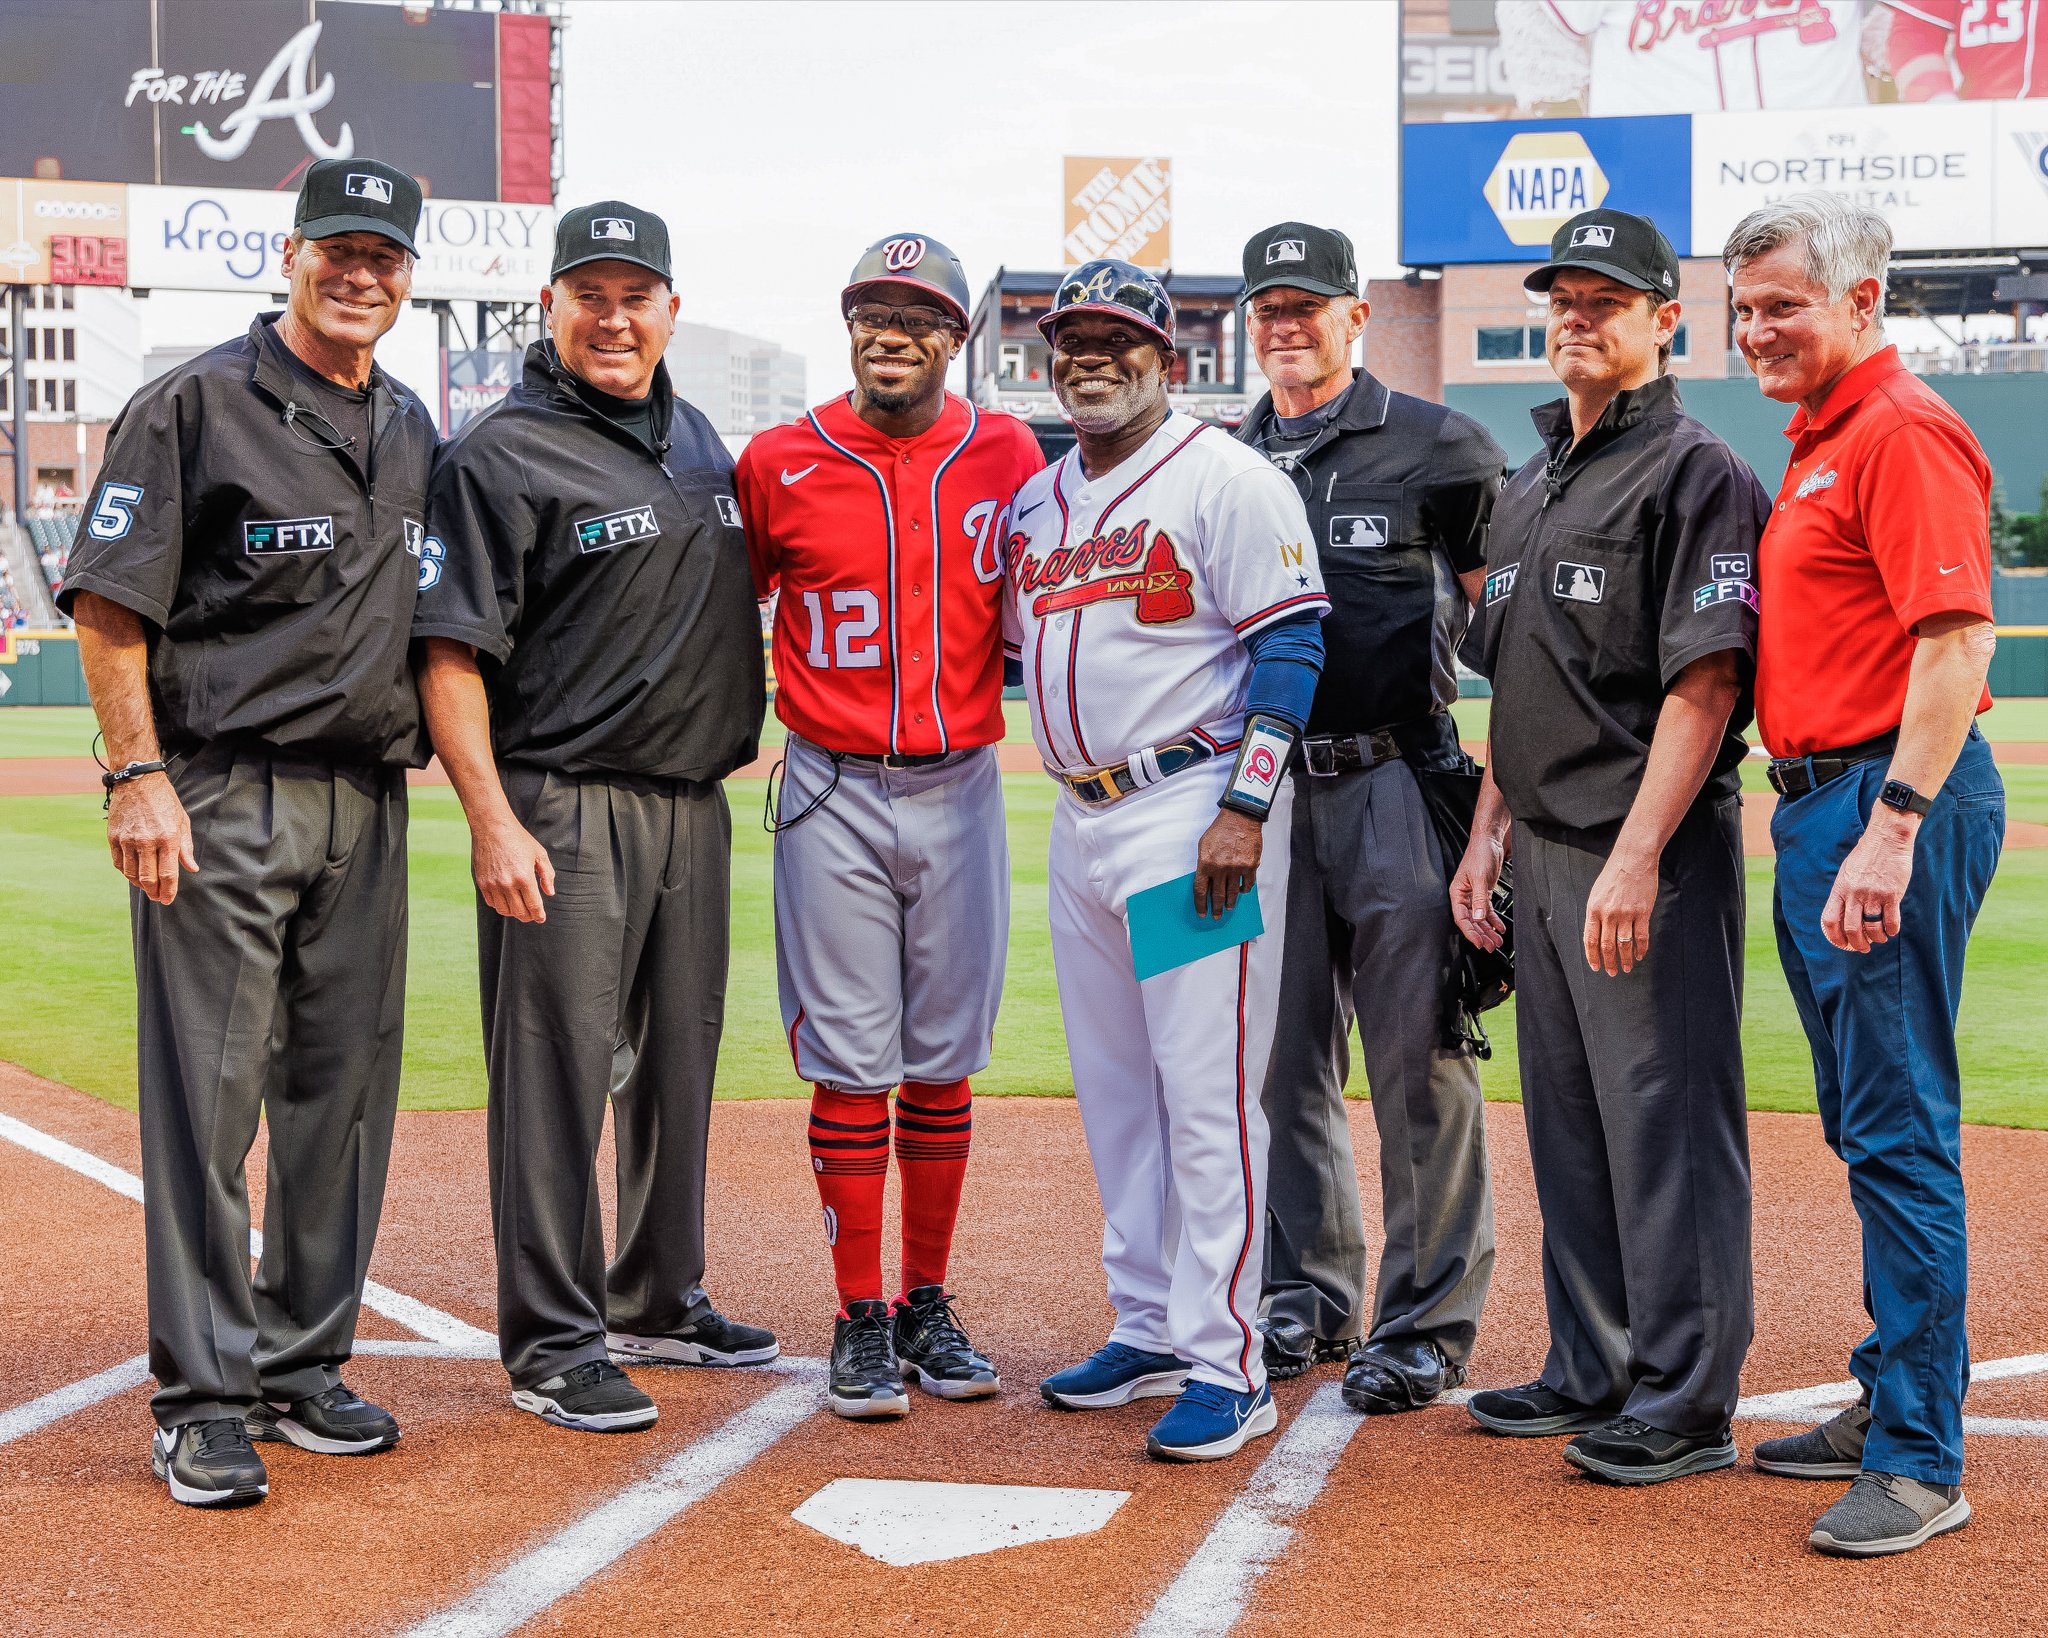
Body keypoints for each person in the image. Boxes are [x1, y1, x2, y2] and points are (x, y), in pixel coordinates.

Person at [59, 159, 437, 1506]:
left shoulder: (410, 427)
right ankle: (203, 1393)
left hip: (368, 799)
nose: (359, 273)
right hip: (222, 787)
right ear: (291, 255)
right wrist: (135, 777)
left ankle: (300, 1361)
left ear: (408, 272)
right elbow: (108, 608)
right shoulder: (195, 403)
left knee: (339, 1100)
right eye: (337, 248)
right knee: (209, 1102)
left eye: (383, 255)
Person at [414, 201, 773, 1434]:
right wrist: (491, 819)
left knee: (678, 1065)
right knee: (557, 1073)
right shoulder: (498, 453)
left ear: (671, 308)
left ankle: (659, 1295)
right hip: (562, 800)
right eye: (590, 295)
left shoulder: (697, 435)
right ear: (552, 307)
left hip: (691, 805)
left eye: (637, 296)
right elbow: (448, 654)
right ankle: (554, 1339)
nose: (614, 318)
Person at [1452, 208, 1766, 1485]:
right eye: (1563, 297)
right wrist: (1486, 839)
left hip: (1647, 851)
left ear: (1659, 319)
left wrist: (1635, 857)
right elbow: (1512, 692)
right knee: (1572, 1126)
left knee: (1665, 1125)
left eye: (1605, 299)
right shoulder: (1532, 482)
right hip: (1536, 849)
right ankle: (1589, 1363)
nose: (1577, 316)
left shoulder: (1696, 471)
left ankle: (1683, 1400)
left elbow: (1704, 685)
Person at [1013, 260, 1329, 1462]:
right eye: (1072, 339)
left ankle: (1226, 1358)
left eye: (1118, 339)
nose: (1091, 356)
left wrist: (1244, 809)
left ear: (1173, 360)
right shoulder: (1038, 505)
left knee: (1204, 1095)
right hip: (1080, 822)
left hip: (1192, 807)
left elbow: (1290, 648)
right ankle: (1145, 1323)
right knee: (1116, 1090)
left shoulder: (1226, 481)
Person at [1726, 192, 2002, 1558]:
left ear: (1863, 301)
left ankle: (1919, 1455)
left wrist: (1892, 827)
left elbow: (1956, 645)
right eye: (1746, 305)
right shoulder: (1821, 440)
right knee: (1862, 1122)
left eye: (1784, 302)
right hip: (1821, 803)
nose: (1757, 326)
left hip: (1886, 798)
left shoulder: (1899, 429)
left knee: (1899, 1132)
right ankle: (1895, 1388)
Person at [733, 233, 1043, 1420]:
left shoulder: (1007, 452)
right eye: (870, 308)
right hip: (830, 786)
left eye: (916, 314)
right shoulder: (779, 460)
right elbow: (725, 609)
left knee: (943, 1057)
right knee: (853, 1064)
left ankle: (926, 1297)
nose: (890, 330)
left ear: (955, 336)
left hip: (961, 782)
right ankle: (858, 1313)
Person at [1232, 221, 1505, 1412]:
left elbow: (1511, 628)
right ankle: (1306, 1294)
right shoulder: (1220, 460)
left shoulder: (1437, 444)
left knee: (1417, 1059)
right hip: (1259, 794)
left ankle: (1427, 1322)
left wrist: (1499, 808)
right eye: (1267, 307)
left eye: (1307, 305)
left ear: (1355, 316)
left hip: (1396, 776)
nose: (1286, 324)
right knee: (1277, 1057)